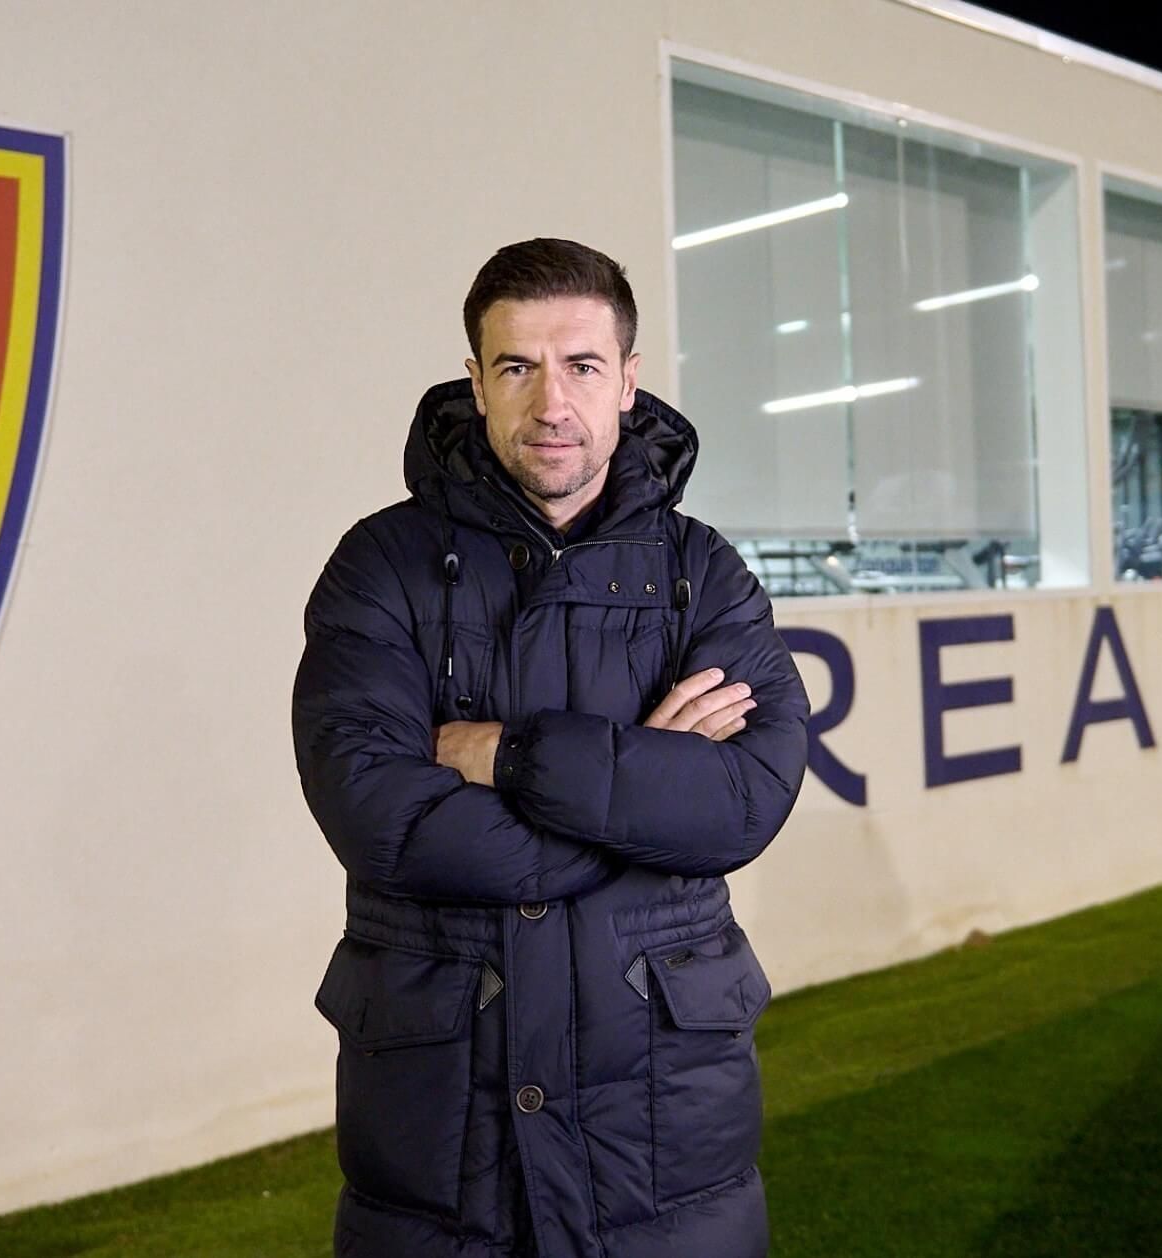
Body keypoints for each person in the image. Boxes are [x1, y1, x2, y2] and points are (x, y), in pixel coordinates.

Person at [292, 238, 810, 1258]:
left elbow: (744, 797)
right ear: (475, 383)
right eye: (516, 367)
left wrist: (511, 758)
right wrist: (632, 795)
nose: (549, 404)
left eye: (579, 366)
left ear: (627, 382)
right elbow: (381, 817)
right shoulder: (379, 568)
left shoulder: (700, 572)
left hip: (662, 1130)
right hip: (443, 1131)